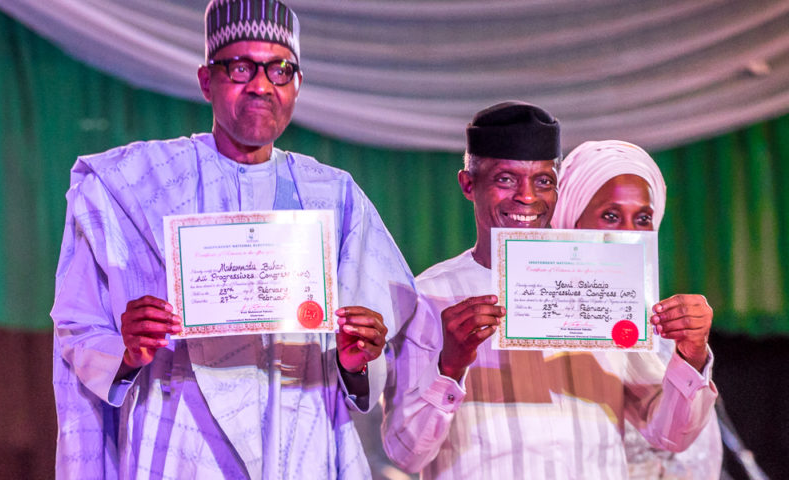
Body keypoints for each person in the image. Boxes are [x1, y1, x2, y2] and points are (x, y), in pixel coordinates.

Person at [51, 1, 416, 478]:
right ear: (207, 80)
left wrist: (355, 360)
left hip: (300, 438)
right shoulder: (132, 186)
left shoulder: (334, 195)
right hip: (179, 440)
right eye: (240, 67)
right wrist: (126, 350)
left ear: (297, 84)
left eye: (280, 70)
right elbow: (78, 325)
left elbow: (376, 345)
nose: (262, 85)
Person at [381, 102, 718, 479]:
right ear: (468, 184)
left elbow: (670, 434)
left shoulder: (605, 291)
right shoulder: (430, 296)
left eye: (543, 181)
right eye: (506, 179)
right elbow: (405, 453)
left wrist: (691, 356)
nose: (527, 197)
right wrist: (450, 367)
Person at [550, 139, 723, 479]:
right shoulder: (528, 312)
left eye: (642, 219)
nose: (629, 235)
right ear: (572, 221)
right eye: (611, 217)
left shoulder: (656, 328)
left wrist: (692, 355)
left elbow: (681, 442)